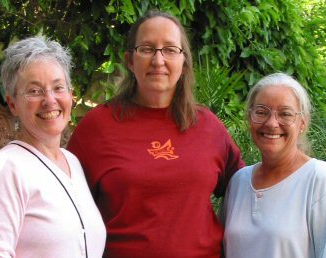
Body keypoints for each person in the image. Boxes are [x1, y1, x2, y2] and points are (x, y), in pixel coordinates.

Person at [67, 10, 244, 258]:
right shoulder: (97, 127)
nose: (158, 60)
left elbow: (247, 192)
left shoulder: (208, 126)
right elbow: (65, 207)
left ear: (184, 62)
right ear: (130, 60)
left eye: (170, 49)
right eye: (147, 49)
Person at [0, 37, 106, 258]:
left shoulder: (72, 162)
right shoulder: (6, 168)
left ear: (71, 95)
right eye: (34, 91)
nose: (49, 100)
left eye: (58, 87)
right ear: (13, 104)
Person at [220, 73, 326, 258]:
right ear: (249, 118)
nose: (271, 123)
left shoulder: (320, 179)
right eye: (261, 111)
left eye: (285, 114)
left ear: (302, 123)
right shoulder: (238, 182)